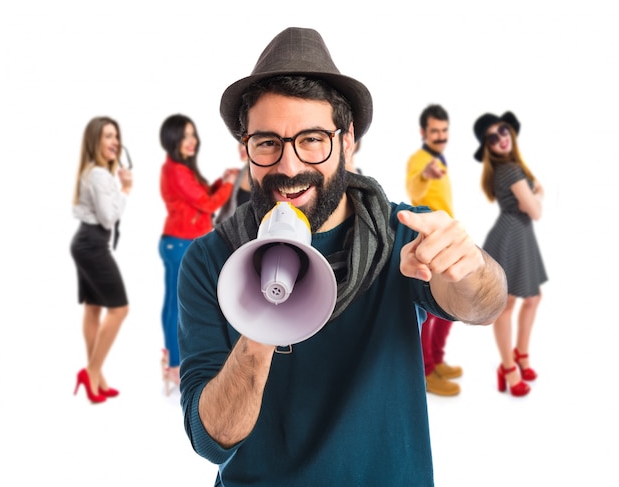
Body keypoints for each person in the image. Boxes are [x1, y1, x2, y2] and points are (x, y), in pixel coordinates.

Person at [177, 27, 507, 485]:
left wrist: (470, 266)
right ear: (244, 149)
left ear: (347, 139)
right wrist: (261, 320)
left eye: (312, 139)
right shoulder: (210, 261)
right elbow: (211, 438)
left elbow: (485, 304)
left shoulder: (402, 235)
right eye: (267, 142)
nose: (289, 167)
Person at [158, 113, 239, 395]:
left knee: (173, 303)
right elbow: (206, 203)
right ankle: (175, 366)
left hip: (176, 240)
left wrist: (221, 181)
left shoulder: (179, 169)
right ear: (172, 140)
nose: (191, 141)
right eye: (184, 136)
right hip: (180, 241)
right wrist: (228, 185)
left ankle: (172, 360)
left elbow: (200, 195)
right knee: (177, 306)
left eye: (193, 135)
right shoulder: (176, 171)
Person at [473, 111, 547, 397]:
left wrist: (533, 190)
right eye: (492, 137)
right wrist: (537, 192)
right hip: (512, 235)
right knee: (508, 304)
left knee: (532, 298)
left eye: (503, 131)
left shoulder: (512, 168)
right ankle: (508, 367)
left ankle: (521, 355)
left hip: (519, 235)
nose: (501, 138)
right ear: (488, 147)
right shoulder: (511, 171)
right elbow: (536, 211)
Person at [70, 116, 133, 404]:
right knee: (119, 309)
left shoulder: (94, 172)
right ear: (95, 141)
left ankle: (98, 377)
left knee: (94, 307)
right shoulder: (99, 175)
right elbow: (108, 218)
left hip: (85, 241)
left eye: (116, 136)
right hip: (93, 243)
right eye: (108, 136)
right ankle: (91, 371)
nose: (115, 142)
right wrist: (126, 190)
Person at [405, 104, 462, 397]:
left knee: (449, 306)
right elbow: (414, 188)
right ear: (423, 133)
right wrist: (425, 174)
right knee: (433, 305)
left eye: (443, 130)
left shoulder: (440, 158)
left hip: (447, 239)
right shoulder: (420, 160)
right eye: (434, 131)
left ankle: (437, 361)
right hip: (430, 241)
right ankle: (426, 371)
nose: (440, 136)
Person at [215, 143, 251, 224]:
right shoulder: (239, 173)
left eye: (246, 143)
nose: (241, 147)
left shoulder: (268, 179)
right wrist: (224, 182)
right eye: (240, 142)